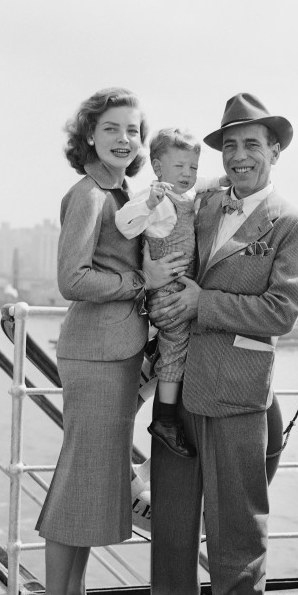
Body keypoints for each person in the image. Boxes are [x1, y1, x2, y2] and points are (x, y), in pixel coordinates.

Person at [123, 92, 298, 595]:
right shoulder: (200, 204)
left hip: (236, 385)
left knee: (237, 513)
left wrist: (202, 301)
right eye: (229, 144)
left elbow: (281, 312)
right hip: (175, 382)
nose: (238, 155)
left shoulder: (294, 223)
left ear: (274, 151)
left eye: (251, 144)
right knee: (175, 505)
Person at [31, 88, 183, 595]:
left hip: (118, 352)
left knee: (96, 476)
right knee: (81, 477)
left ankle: (74, 593)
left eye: (134, 131)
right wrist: (138, 286)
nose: (126, 140)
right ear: (89, 135)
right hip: (94, 353)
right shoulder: (88, 194)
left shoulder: (122, 193)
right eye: (113, 128)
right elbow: (72, 278)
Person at [115, 128, 226, 457]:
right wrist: (148, 203)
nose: (188, 174)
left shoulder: (185, 196)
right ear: (158, 167)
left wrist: (219, 180)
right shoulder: (158, 200)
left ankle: (167, 405)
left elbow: (202, 186)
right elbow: (125, 223)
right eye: (180, 167)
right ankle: (164, 419)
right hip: (168, 292)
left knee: (179, 346)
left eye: (192, 167)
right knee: (177, 350)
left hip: (180, 286)